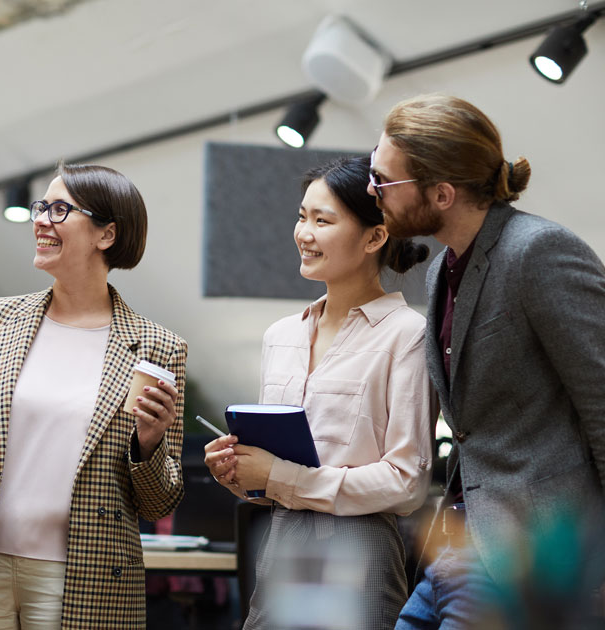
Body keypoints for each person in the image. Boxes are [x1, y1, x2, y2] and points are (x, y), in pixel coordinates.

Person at [0, 163, 187, 630]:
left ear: (106, 234)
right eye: (42, 206)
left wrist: (149, 445)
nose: (40, 219)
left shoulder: (158, 346)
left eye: (60, 209)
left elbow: (159, 502)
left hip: (85, 579)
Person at [366, 94, 605, 629]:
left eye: (383, 180)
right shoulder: (439, 272)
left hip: (536, 555)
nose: (370, 189)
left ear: (442, 193)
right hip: (459, 544)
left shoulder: (538, 252)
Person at [205, 156, 437, 629]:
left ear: (375, 236)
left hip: (362, 549)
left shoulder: (408, 334)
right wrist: (239, 471)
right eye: (302, 216)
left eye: (322, 220)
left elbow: (407, 481)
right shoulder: (280, 335)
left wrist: (280, 476)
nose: (303, 233)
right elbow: (272, 478)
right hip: (280, 543)